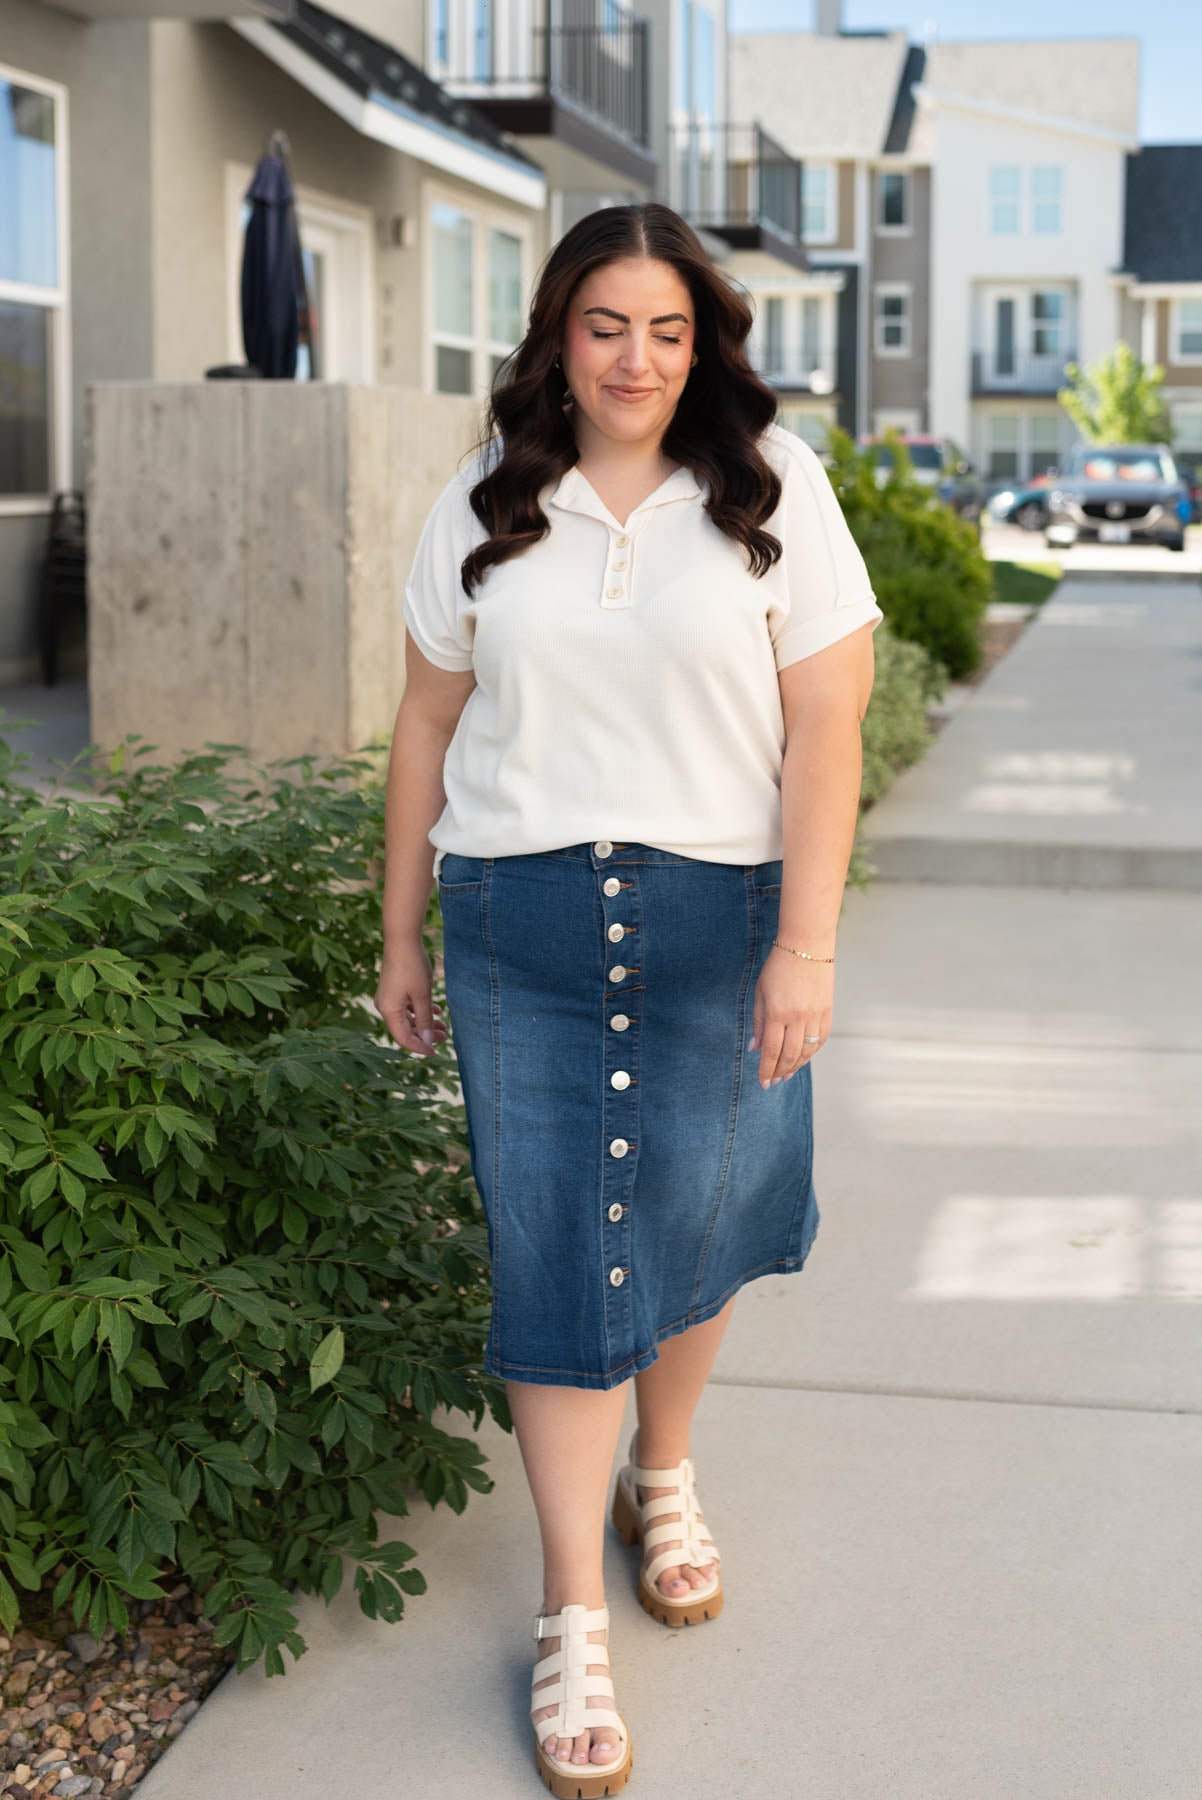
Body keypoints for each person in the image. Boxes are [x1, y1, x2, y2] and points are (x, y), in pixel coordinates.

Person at [374, 201, 882, 1796]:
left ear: (703, 342)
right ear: (557, 334)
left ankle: (663, 1472)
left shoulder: (767, 491)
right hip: (515, 910)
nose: (635, 359)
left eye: (666, 330)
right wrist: (396, 934)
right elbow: (419, 730)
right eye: (606, 326)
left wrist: (804, 947)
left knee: (693, 1212)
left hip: (718, 914)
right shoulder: (484, 495)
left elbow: (828, 734)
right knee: (549, 1241)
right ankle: (569, 1612)